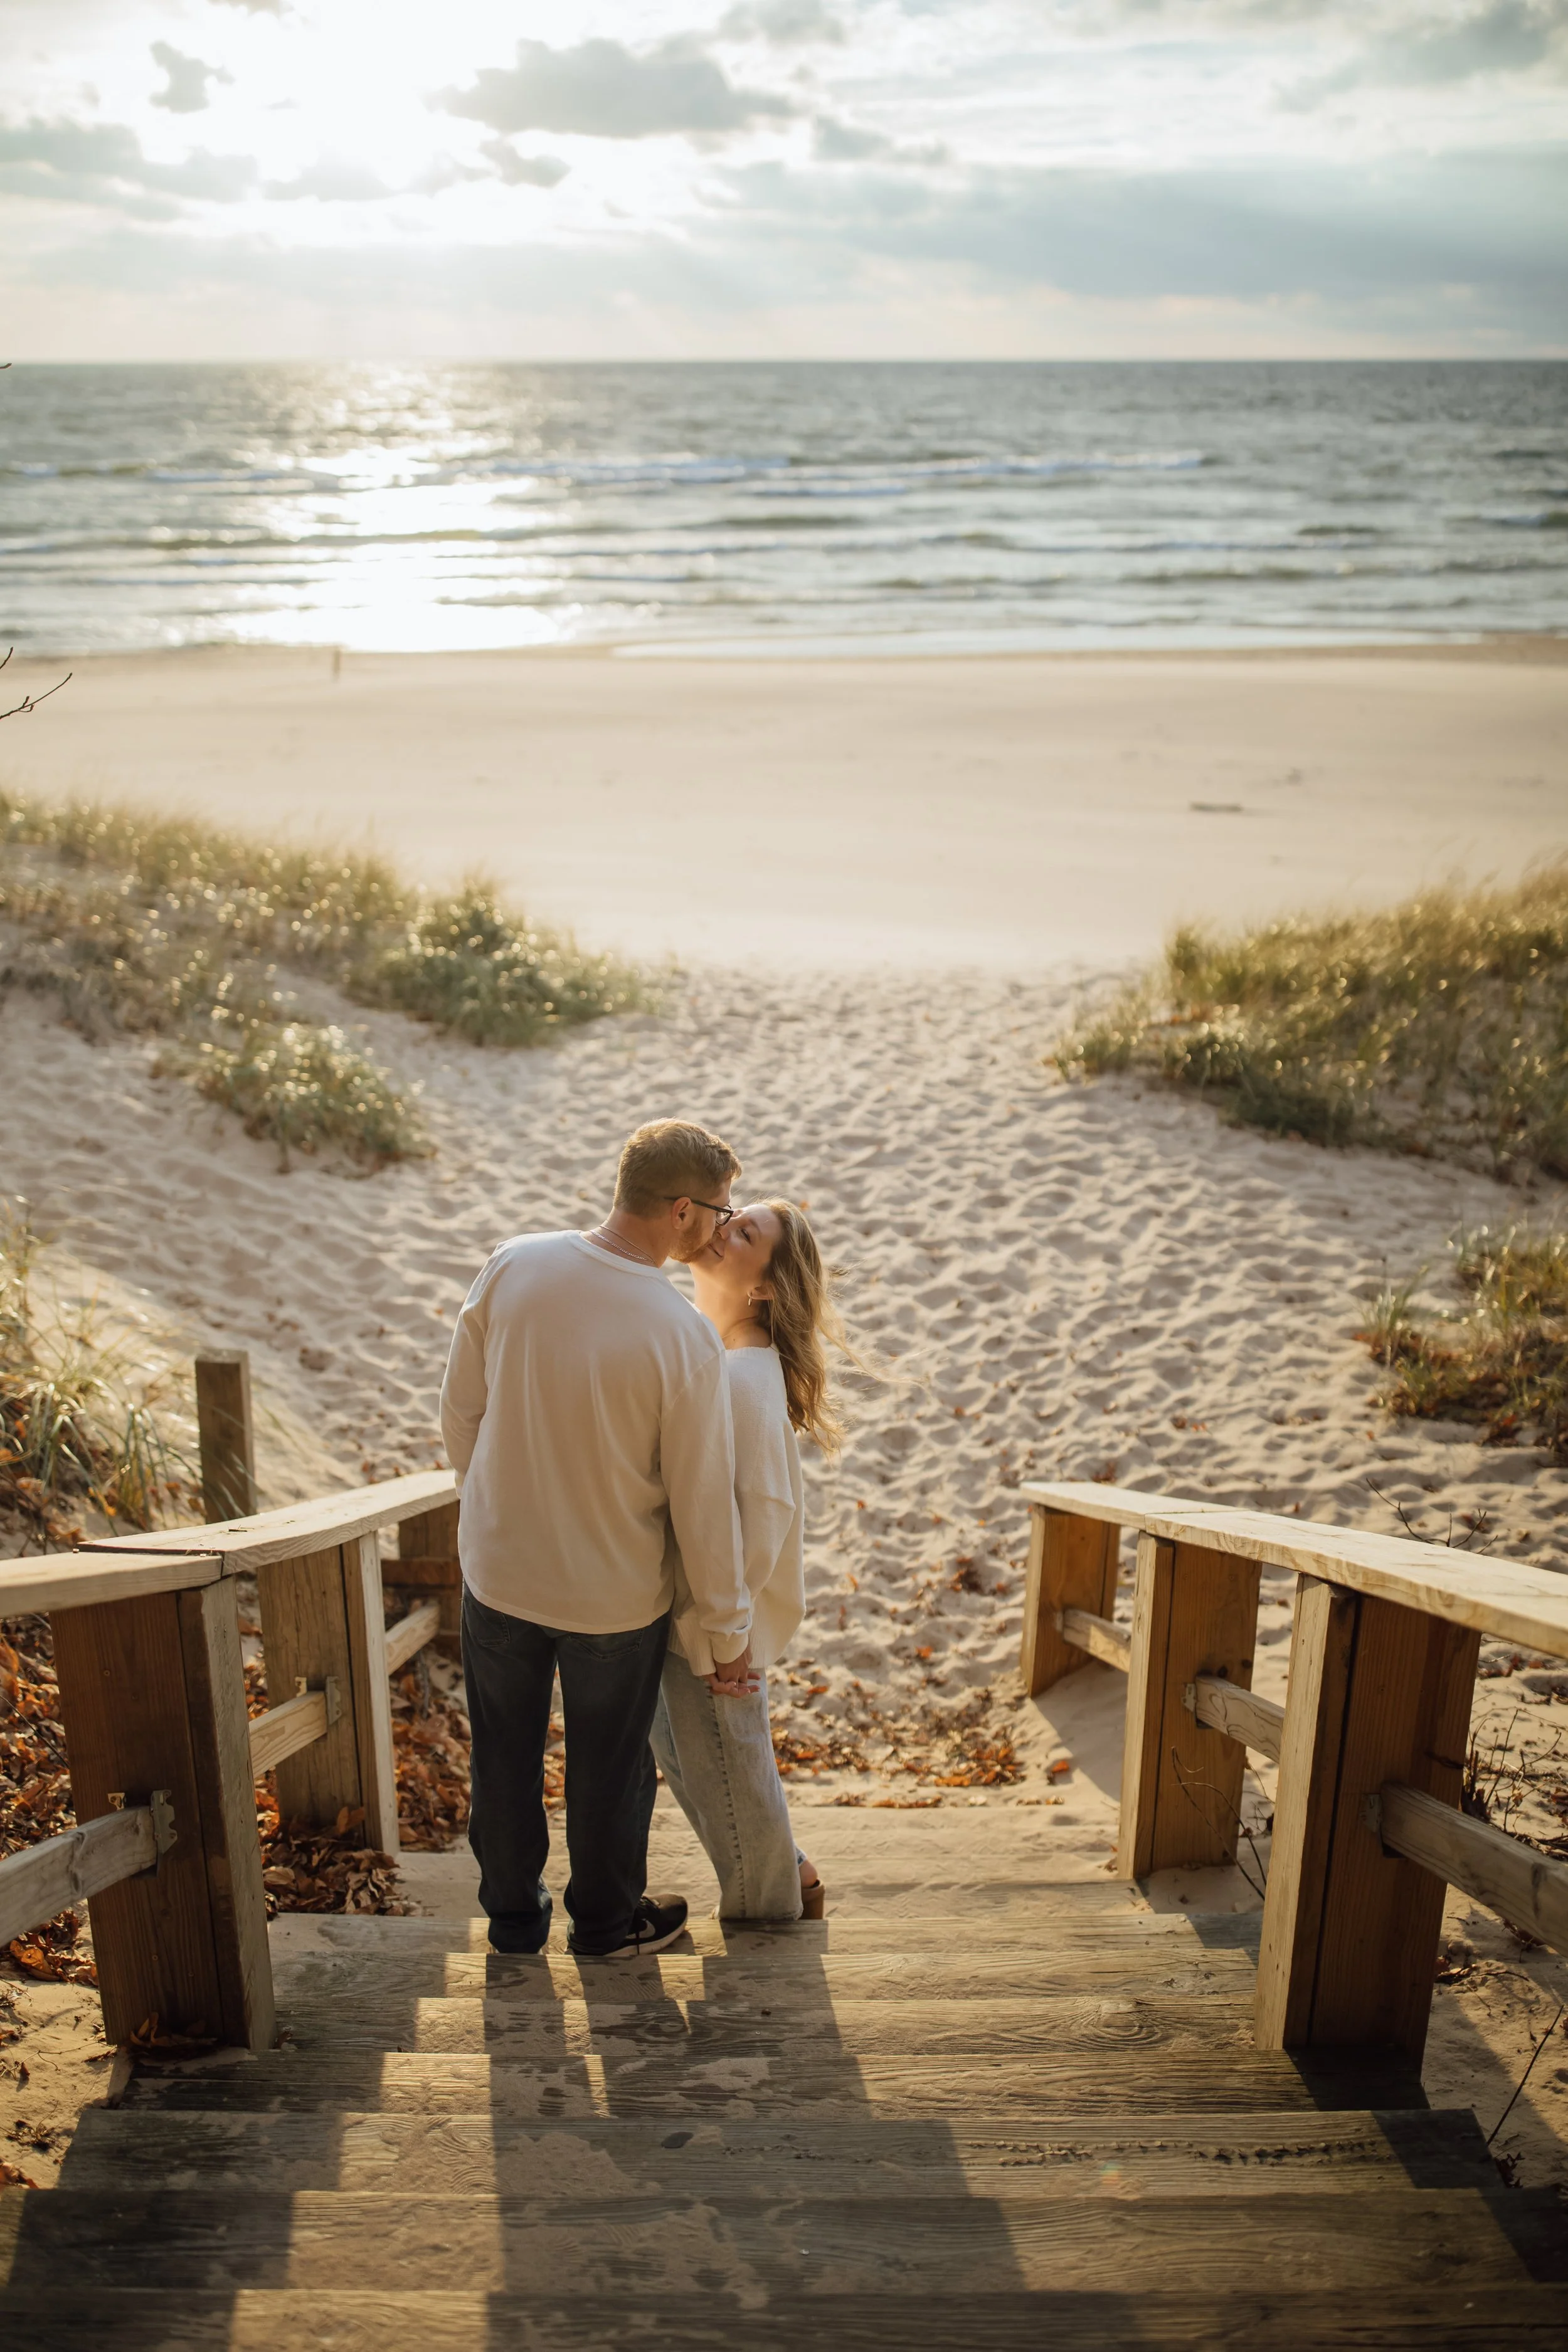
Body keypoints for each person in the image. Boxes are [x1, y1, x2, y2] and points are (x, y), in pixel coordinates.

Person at [439, 1118, 755, 1960]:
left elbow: (460, 1411)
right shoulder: (680, 1331)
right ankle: (606, 1926)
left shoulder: (515, 1262)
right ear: (683, 1210)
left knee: (501, 1753)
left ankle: (512, 1920)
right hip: (613, 1598)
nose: (725, 1230)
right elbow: (702, 1504)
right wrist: (728, 1635)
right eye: (722, 1214)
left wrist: (493, 1507)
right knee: (610, 1772)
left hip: (500, 1573)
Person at [652, 1197, 842, 1920]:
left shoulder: (743, 1377)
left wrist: (725, 1641)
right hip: (700, 1626)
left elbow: (758, 1519)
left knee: (733, 1798)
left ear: (763, 1285)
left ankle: (775, 1935)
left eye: (745, 1233)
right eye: (732, 1217)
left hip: (713, 1642)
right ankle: (793, 1878)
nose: (722, 1230)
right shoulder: (721, 1357)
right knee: (708, 1780)